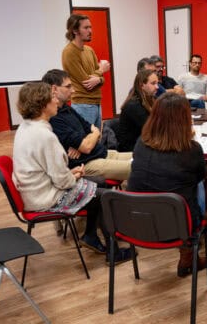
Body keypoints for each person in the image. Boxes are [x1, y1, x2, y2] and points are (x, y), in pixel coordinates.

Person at [12, 82, 132, 264]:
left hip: (35, 192)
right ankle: (113, 253)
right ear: (43, 105)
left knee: (99, 182)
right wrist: (73, 175)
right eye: (52, 98)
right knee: (105, 195)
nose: (55, 101)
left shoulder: (26, 127)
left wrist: (71, 173)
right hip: (45, 198)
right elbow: (63, 182)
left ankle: (91, 235)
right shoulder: (44, 136)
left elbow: (54, 170)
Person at [127, 92, 207, 277]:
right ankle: (188, 252)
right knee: (200, 183)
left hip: (134, 223)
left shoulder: (141, 143)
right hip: (178, 227)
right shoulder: (192, 150)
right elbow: (200, 176)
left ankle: (187, 254)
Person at [42, 69, 132, 181]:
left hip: (99, 153)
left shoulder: (67, 109)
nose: (73, 90)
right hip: (86, 163)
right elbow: (87, 147)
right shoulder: (54, 118)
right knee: (138, 168)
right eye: (68, 86)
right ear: (54, 89)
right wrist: (86, 141)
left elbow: (94, 131)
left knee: (141, 157)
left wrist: (86, 139)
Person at [62, 14, 111, 129]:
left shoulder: (89, 50)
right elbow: (87, 83)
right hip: (82, 104)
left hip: (96, 102)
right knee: (87, 142)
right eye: (86, 28)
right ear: (74, 30)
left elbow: (100, 80)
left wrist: (99, 78)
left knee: (97, 141)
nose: (90, 31)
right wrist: (101, 70)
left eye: (90, 27)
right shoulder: (69, 52)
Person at [117, 69, 158, 152]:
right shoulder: (133, 105)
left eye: (157, 83)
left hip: (144, 144)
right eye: (153, 83)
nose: (157, 87)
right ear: (141, 85)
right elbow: (152, 129)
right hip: (132, 149)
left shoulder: (152, 99)